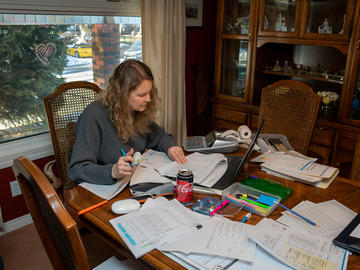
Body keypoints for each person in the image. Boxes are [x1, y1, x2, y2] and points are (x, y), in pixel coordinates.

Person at [68, 60, 187, 185]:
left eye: (149, 93)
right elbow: (77, 169)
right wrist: (112, 171)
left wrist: (171, 148)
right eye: (141, 95)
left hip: (133, 183)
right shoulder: (93, 115)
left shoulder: (136, 110)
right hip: (102, 191)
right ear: (122, 94)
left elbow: (160, 136)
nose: (148, 99)